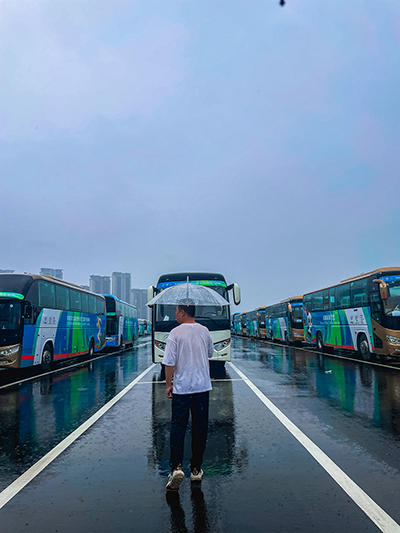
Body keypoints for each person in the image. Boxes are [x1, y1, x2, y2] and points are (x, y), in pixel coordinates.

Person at [163, 301, 214, 491]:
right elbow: (210, 352)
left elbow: (169, 362)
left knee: (178, 427)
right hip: (201, 388)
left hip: (182, 389)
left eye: (176, 310)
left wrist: (169, 385)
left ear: (183, 312)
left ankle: (176, 468)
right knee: (200, 428)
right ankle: (195, 469)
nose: (175, 313)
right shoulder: (205, 330)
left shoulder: (175, 333)